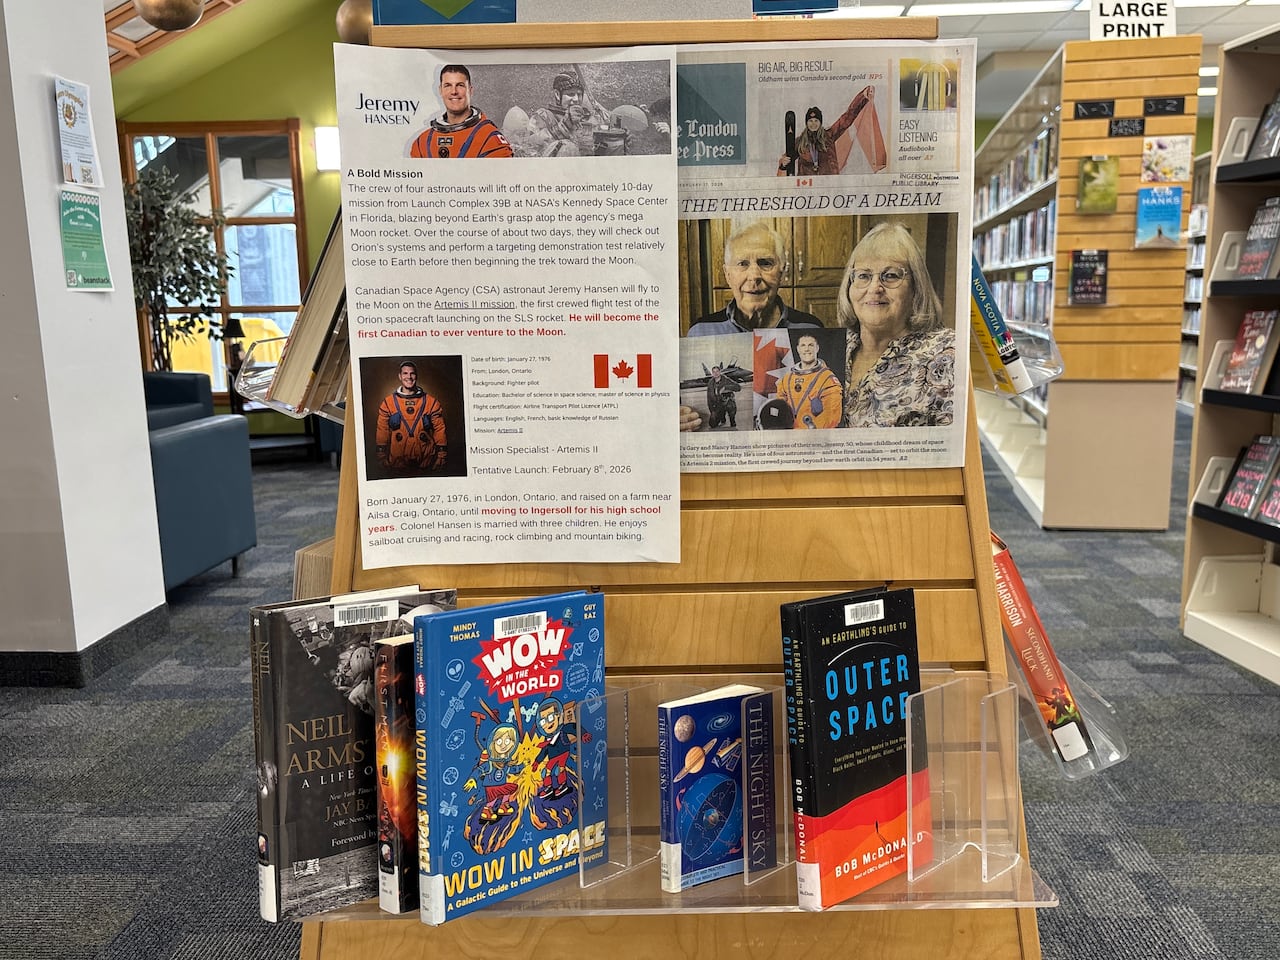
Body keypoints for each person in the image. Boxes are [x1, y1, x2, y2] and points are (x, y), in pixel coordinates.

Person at [837, 222, 955, 427]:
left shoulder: (946, 353)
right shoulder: (835, 346)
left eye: (890, 275)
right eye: (864, 276)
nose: (875, 288)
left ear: (916, 287)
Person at [687, 221, 823, 336]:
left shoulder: (811, 328)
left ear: (781, 271)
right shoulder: (701, 332)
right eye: (742, 264)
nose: (754, 276)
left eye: (765, 263)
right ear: (728, 275)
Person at [408, 64, 513, 159]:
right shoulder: (422, 143)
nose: (454, 92)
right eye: (448, 85)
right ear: (440, 90)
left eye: (460, 85)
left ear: (470, 90)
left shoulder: (490, 140)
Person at [776, 86, 886, 177]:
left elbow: (847, 118)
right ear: (806, 123)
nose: (813, 123)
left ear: (820, 122)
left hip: (829, 186)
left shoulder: (829, 135)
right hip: (807, 189)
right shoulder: (799, 142)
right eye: (810, 121)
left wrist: (862, 97)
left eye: (816, 120)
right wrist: (782, 163)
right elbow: (786, 161)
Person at [375, 361, 448, 473]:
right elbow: (382, 430)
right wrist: (381, 455)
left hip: (426, 462)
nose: (409, 377)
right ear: (400, 376)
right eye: (405, 373)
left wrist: (441, 455)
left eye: (412, 373)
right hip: (397, 463)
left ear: (416, 376)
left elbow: (439, 429)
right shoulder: (388, 403)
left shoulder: (431, 402)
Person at [528, 69, 612, 157]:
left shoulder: (589, 117)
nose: (576, 99)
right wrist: (564, 126)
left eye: (579, 94)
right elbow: (530, 146)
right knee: (568, 147)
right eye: (570, 94)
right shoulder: (543, 116)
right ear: (557, 94)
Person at [776, 333, 843, 429]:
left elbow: (832, 417)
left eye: (811, 345)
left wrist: (811, 431)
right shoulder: (787, 379)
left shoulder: (827, 379)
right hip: (789, 433)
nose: (806, 349)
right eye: (803, 345)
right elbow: (780, 405)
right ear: (798, 349)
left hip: (813, 434)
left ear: (817, 348)